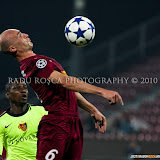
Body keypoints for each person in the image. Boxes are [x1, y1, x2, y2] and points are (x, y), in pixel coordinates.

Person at [0, 29, 124, 160]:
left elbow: (67, 90)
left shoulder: (38, 61)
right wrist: (102, 91)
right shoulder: (33, 64)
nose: (26, 35)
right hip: (57, 124)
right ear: (13, 48)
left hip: (73, 122)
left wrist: (92, 110)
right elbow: (66, 82)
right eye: (20, 35)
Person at [0, 78, 48, 160]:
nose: (23, 90)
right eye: (17, 88)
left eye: (25, 87)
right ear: (8, 95)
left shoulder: (42, 112)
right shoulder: (2, 121)